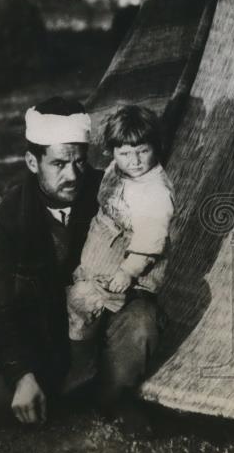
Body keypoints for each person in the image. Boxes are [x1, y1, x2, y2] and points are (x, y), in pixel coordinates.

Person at [0, 97, 162, 427]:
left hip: (106, 321)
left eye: (80, 162)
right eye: (59, 164)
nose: (73, 175)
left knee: (141, 321)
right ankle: (62, 390)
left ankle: (112, 396)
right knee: (2, 404)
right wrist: (21, 374)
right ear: (32, 162)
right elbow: (1, 307)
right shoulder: (11, 216)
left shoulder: (110, 191)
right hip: (46, 336)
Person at [62, 105, 176, 392]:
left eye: (143, 151)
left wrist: (128, 271)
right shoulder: (119, 170)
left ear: (155, 147)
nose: (135, 161)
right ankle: (80, 353)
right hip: (100, 252)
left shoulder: (155, 193)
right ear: (112, 153)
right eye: (125, 153)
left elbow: (150, 242)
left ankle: (83, 366)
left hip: (124, 265)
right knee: (78, 301)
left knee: (81, 301)